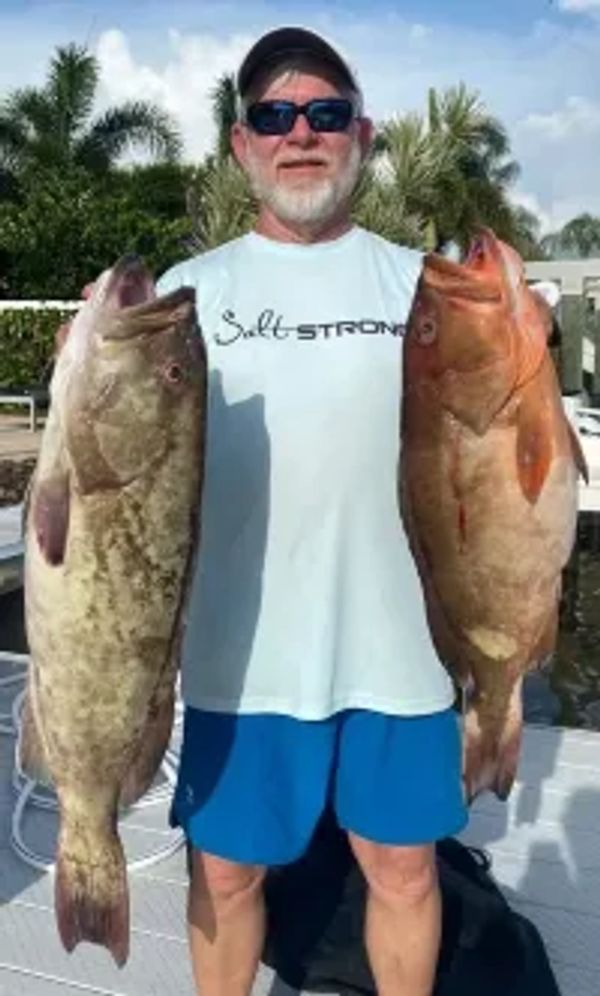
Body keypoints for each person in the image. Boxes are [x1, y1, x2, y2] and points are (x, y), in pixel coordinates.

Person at [157, 26, 468, 996]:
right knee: (228, 871)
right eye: (274, 116)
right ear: (243, 145)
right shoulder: (179, 299)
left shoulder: (431, 289)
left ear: (362, 137)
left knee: (405, 868)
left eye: (325, 114)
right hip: (238, 655)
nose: (301, 134)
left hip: (405, 645)